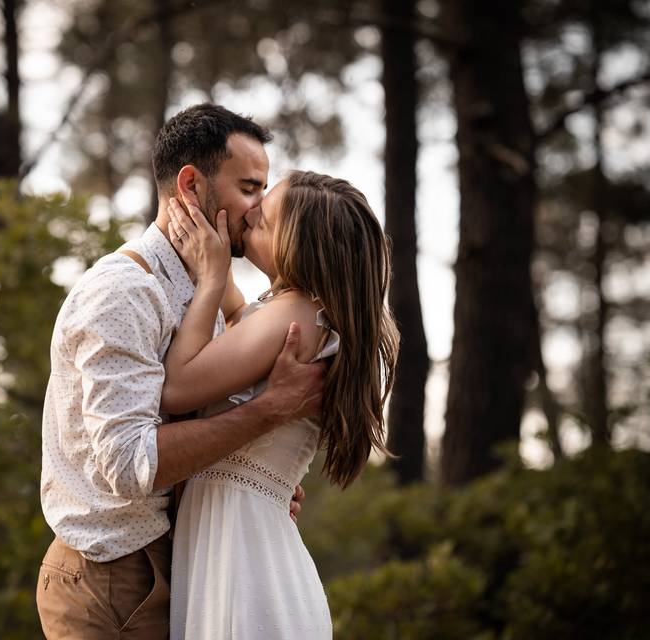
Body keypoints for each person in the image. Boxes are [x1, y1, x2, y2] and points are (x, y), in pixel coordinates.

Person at [35, 105, 327, 639]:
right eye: (249, 187)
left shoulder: (201, 287)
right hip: (115, 575)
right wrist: (268, 413)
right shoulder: (124, 292)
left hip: (177, 559)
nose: (260, 206)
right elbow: (129, 466)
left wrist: (256, 474)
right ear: (191, 185)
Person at [161, 170, 401, 639]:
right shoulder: (308, 315)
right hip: (250, 537)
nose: (251, 214)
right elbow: (241, 323)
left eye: (265, 218)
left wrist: (211, 278)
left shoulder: (293, 315)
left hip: (241, 552)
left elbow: (177, 386)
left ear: (301, 249)